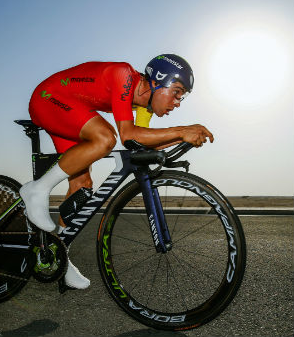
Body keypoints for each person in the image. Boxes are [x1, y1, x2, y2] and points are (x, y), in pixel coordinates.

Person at [20, 54, 214, 290]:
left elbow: (141, 141)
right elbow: (128, 134)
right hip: (48, 98)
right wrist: (182, 130)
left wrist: (180, 137)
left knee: (82, 184)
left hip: (68, 110)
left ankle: (59, 254)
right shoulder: (123, 76)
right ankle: (36, 190)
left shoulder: (144, 107)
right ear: (157, 81)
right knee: (105, 137)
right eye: (177, 92)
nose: (177, 102)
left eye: (182, 97)